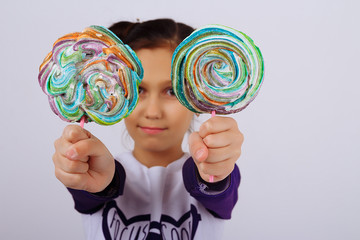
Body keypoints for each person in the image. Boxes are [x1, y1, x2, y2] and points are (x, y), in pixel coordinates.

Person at [52, 18, 244, 240]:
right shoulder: (98, 173)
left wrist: (214, 169)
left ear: (199, 97)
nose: (153, 111)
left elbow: (216, 186)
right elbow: (95, 187)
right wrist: (88, 173)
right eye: (139, 89)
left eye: (171, 91)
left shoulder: (208, 175)